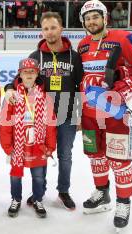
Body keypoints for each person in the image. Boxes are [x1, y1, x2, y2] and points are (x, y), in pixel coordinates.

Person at [77, 0, 132, 229]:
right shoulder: (82, 45)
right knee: (95, 156)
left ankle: (123, 202)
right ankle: (102, 193)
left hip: (115, 114)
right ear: (83, 22)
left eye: (95, 16)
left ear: (105, 18)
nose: (92, 21)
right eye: (87, 18)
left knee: (119, 160)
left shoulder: (123, 39)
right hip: (90, 114)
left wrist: (127, 83)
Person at [5, 12, 83, 211]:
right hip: (41, 117)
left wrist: (81, 113)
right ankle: (40, 191)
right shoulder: (35, 56)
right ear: (42, 31)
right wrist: (9, 89)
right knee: (42, 152)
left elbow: (81, 87)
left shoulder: (74, 56)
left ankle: (63, 191)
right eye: (46, 28)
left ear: (61, 29)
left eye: (53, 27)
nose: (50, 32)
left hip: (67, 114)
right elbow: (18, 80)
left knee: (65, 155)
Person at [0, 58, 57, 218]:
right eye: (26, 72)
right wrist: (7, 146)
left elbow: (51, 123)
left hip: (37, 144)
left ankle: (38, 199)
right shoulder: (13, 97)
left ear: (37, 73)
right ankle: (16, 199)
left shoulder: (45, 97)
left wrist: (50, 146)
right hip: (18, 144)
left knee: (38, 176)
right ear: (20, 74)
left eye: (32, 71)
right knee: (15, 175)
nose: (29, 74)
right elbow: (5, 123)